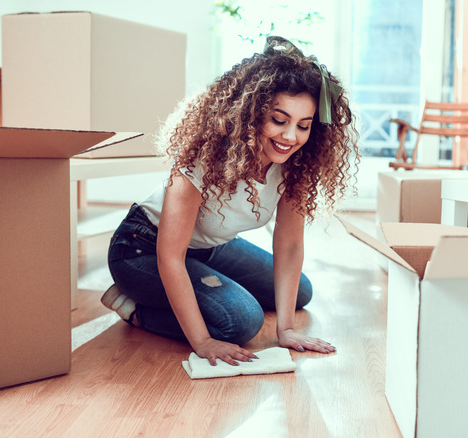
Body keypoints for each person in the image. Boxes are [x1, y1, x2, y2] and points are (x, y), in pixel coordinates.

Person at [101, 36, 359, 367]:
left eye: (303, 125)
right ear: (251, 113)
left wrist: (286, 331)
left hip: (208, 247)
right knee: (240, 321)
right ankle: (133, 307)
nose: (290, 136)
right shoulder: (203, 160)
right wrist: (203, 341)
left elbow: (290, 247)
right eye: (279, 120)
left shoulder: (293, 167)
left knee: (300, 293)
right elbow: (171, 256)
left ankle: (204, 288)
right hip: (142, 248)